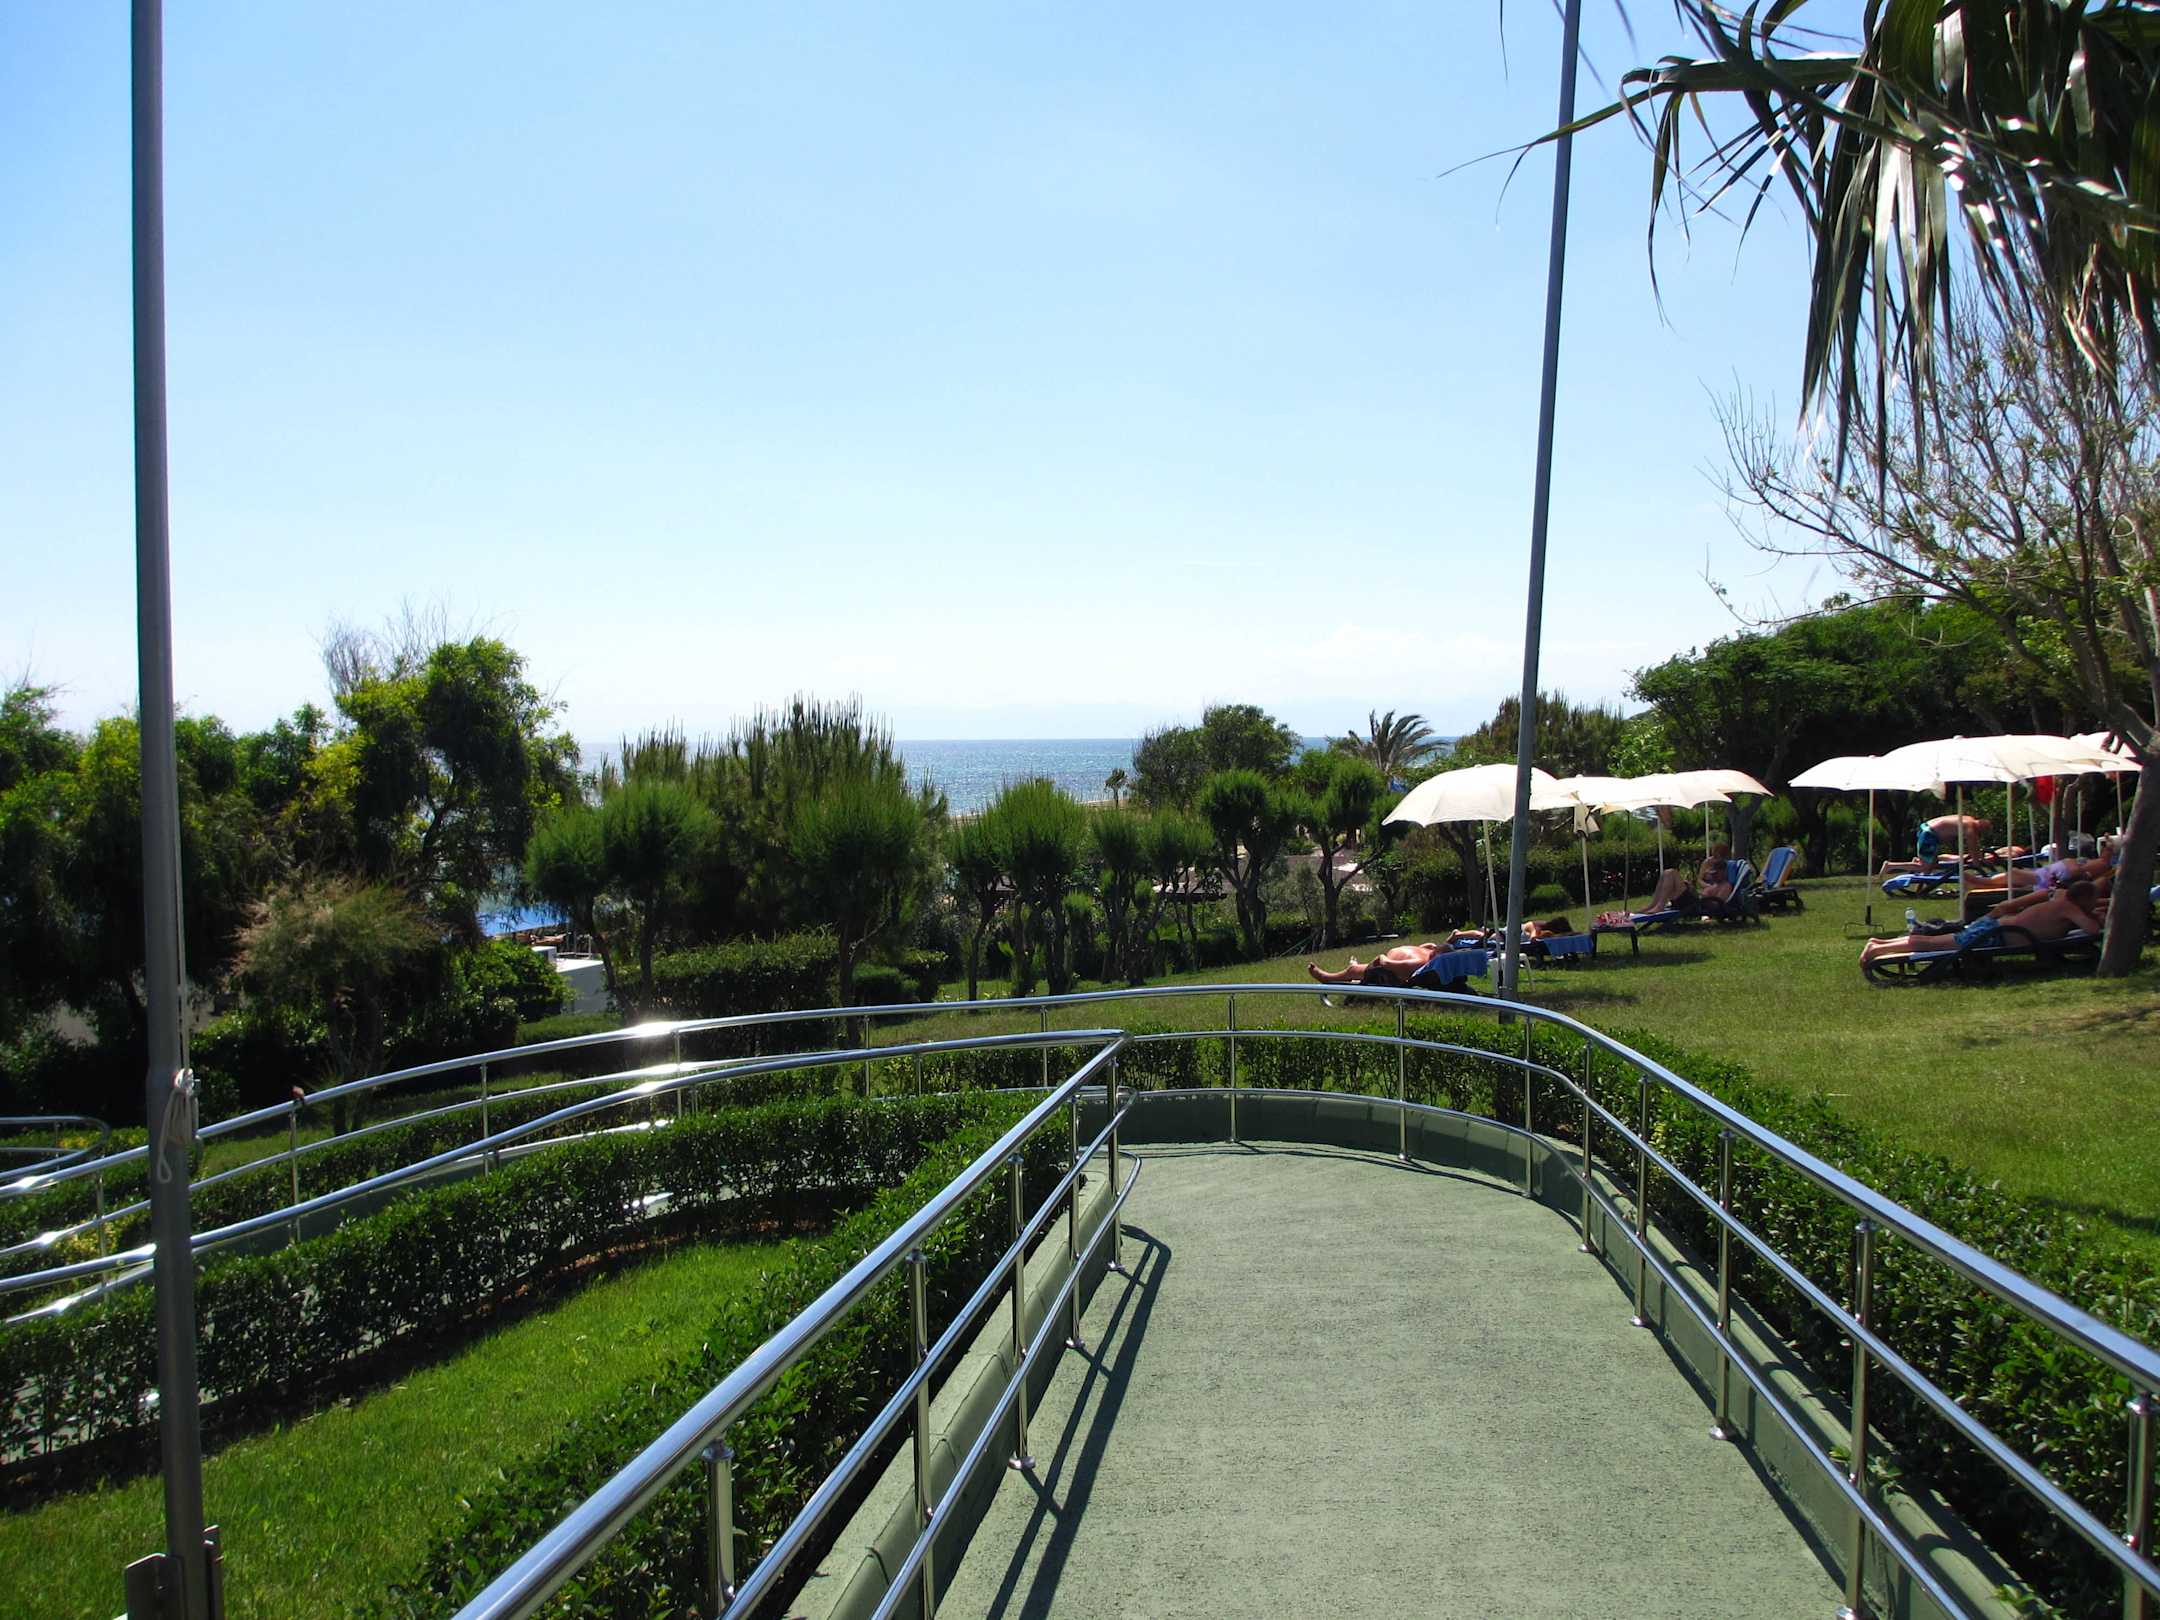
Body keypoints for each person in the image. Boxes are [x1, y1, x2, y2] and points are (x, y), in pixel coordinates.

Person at [1860, 880, 2103, 966]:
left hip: (1996, 926)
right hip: (1996, 935)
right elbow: (2092, 930)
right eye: (2093, 900)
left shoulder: (2061, 899)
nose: (2094, 904)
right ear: (2083, 899)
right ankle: (1877, 950)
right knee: (1937, 944)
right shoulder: (2069, 907)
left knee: (1939, 941)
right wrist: (2097, 916)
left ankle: (1880, 943)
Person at [1309, 942, 1445, 986]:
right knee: (1359, 969)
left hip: (1386, 972)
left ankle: (1328, 978)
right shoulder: (1431, 951)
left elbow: (1387, 964)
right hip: (1386, 967)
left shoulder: (1419, 963)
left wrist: (1381, 957)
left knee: (1353, 969)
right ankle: (1355, 977)